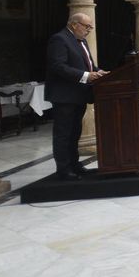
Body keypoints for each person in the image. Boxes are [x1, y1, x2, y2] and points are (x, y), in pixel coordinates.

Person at [45, 13, 107, 180]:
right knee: (63, 134)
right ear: (74, 24)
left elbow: (89, 64)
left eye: (90, 27)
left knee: (75, 133)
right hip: (64, 96)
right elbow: (58, 66)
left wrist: (99, 72)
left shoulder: (82, 41)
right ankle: (64, 170)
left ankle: (75, 165)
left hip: (79, 95)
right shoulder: (59, 39)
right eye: (86, 26)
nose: (89, 30)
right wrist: (87, 75)